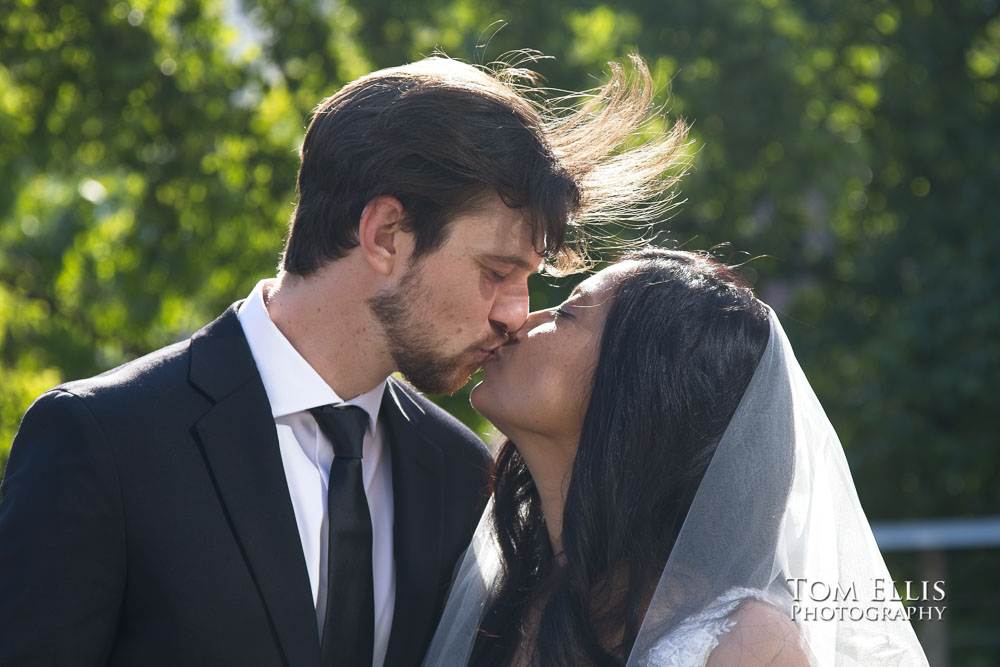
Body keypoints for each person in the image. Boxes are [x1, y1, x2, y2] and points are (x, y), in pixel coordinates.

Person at [0, 56, 689, 666]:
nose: (516, 311)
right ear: (386, 233)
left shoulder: (457, 473)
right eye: (496, 270)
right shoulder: (103, 440)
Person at [423, 248, 929, 666]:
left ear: (639, 390)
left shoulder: (744, 646)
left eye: (566, 313)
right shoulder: (504, 598)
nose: (518, 322)